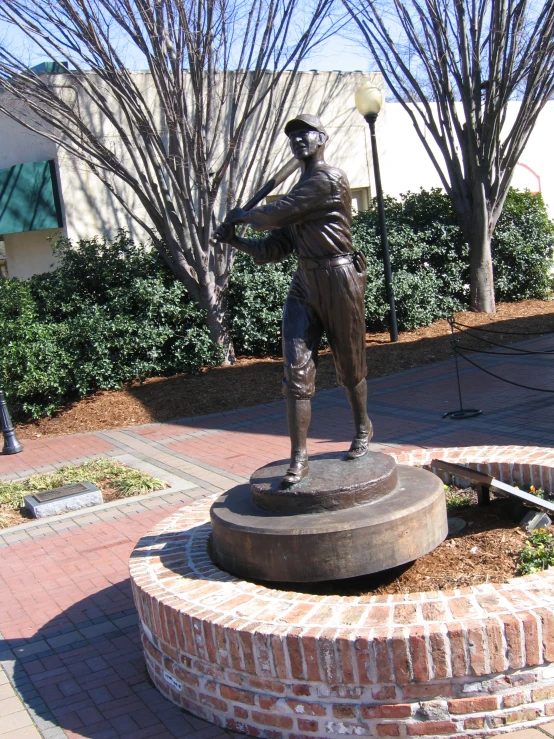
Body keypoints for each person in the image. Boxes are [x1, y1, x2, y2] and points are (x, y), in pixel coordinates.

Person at [214, 113, 372, 486]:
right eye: (294, 137)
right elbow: (276, 246)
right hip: (305, 280)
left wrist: (244, 214)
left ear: (322, 139)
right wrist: (234, 239)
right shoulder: (298, 192)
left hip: (338, 277)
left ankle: (363, 427)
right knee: (295, 370)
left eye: (307, 135)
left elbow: (276, 215)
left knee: (349, 365)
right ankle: (298, 457)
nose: (299, 141)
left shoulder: (327, 180)